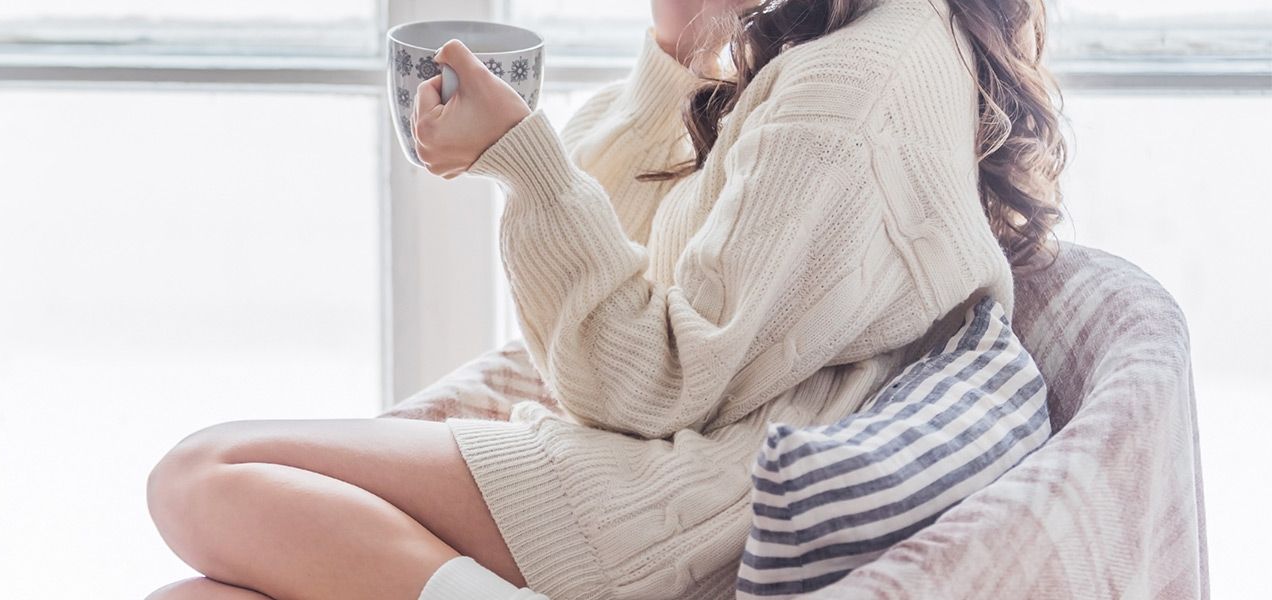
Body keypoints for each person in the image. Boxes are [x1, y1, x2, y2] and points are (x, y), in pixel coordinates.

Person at [145, 0, 1066, 597]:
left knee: (200, 478)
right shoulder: (861, 31)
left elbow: (647, 378)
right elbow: (630, 268)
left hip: (683, 489)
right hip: (679, 452)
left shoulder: (847, 86)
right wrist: (677, 50)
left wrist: (526, 165)